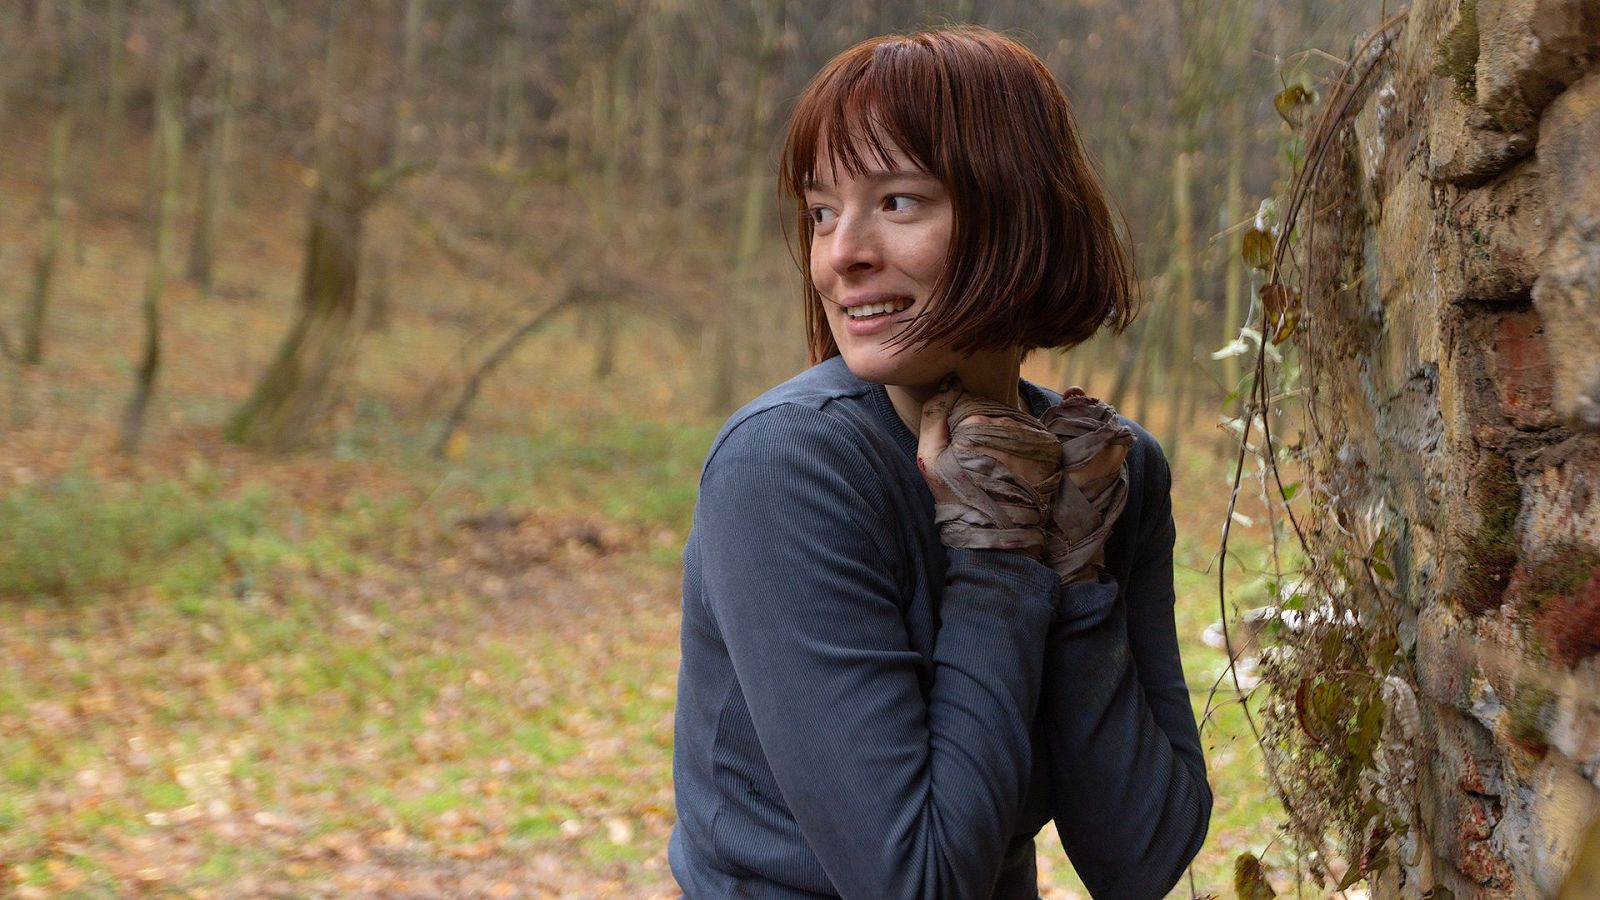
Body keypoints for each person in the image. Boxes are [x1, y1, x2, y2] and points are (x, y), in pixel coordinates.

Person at [669, 26, 1211, 900]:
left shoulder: (1108, 470)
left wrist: (1073, 576)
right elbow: (913, 883)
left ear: (1018, 214)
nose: (841, 251)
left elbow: (1140, 855)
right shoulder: (789, 468)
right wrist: (996, 557)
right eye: (821, 211)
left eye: (899, 202)